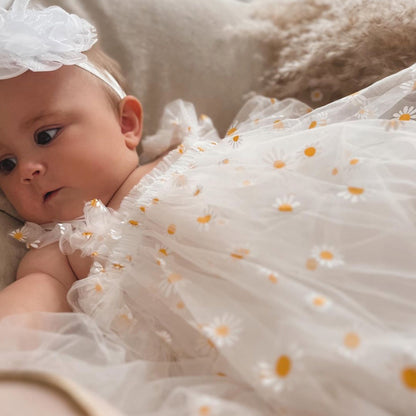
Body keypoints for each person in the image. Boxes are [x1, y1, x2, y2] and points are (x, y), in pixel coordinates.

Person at [0, 1, 416, 415]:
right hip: (236, 343)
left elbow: (293, 176)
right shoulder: (58, 253)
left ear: (127, 125)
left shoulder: (182, 154)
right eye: (5, 163)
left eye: (46, 135)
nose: (28, 171)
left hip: (308, 249)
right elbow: (25, 313)